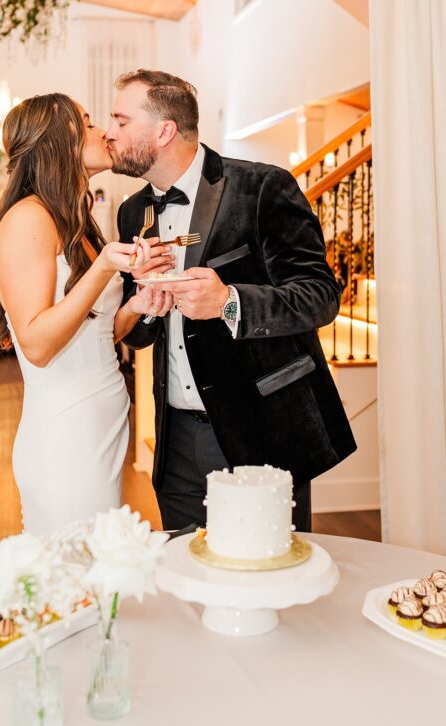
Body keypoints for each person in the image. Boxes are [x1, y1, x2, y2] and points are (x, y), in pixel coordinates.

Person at [107, 69, 357, 531]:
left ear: (163, 131)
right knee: (185, 577)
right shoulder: (133, 211)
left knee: (271, 577)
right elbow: (141, 334)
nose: (109, 133)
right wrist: (145, 305)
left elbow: (320, 296)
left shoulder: (263, 187)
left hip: (260, 430)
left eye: (121, 121)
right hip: (176, 439)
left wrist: (229, 301)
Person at [0, 93, 174, 535]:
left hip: (100, 424)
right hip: (65, 434)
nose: (104, 132)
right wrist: (106, 265)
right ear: (56, 142)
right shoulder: (27, 219)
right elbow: (37, 344)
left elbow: (90, 335)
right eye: (88, 123)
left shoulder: (73, 218)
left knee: (97, 572)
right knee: (78, 577)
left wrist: (135, 306)